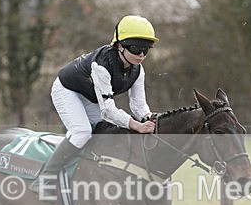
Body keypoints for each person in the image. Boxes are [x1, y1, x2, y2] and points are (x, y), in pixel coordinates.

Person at [30, 14, 158, 195]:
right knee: (82, 132)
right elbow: (108, 110)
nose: (141, 55)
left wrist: (151, 120)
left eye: (146, 50)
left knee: (107, 132)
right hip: (67, 90)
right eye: (136, 48)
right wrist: (137, 125)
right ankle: (45, 179)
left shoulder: (138, 70)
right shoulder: (102, 65)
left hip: (91, 97)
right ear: (120, 46)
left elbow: (138, 106)